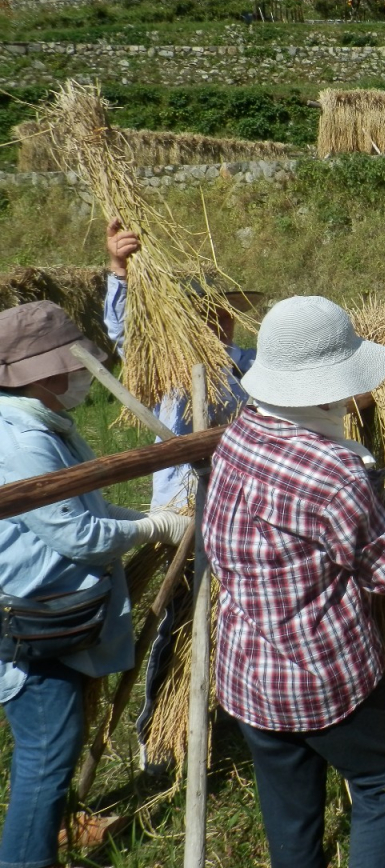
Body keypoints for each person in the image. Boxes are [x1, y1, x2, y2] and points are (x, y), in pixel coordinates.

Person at [202, 296, 385, 868]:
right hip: (323, 678)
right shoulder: (334, 472)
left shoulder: (238, 435)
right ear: (326, 388)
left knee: (291, 814)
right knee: (382, 780)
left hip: (247, 675)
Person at [0, 301, 191, 868]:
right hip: (35, 619)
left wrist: (132, 521)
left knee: (55, 746)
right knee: (46, 757)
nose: (83, 374)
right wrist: (154, 524)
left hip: (55, 609)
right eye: (73, 365)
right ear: (45, 372)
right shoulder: (22, 441)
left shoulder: (40, 422)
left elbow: (77, 503)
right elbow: (78, 535)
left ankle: (52, 834)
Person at [104, 216, 264, 510]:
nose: (221, 323)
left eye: (226, 314)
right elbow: (125, 334)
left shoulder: (253, 363)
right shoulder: (168, 368)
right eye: (208, 315)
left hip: (247, 504)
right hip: (183, 500)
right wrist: (119, 271)